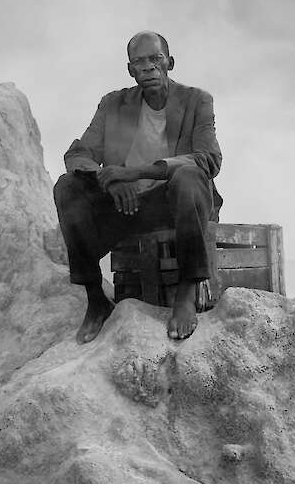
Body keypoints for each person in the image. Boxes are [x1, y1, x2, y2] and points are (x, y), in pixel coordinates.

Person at [53, 31, 222, 343]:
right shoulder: (113, 104)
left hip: (174, 203)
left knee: (189, 174)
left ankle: (186, 294)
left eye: (155, 59)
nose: (148, 68)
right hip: (126, 206)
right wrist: (110, 180)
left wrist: (134, 173)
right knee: (67, 186)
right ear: (130, 70)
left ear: (169, 63)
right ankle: (96, 300)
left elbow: (208, 159)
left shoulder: (197, 101)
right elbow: (78, 154)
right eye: (139, 62)